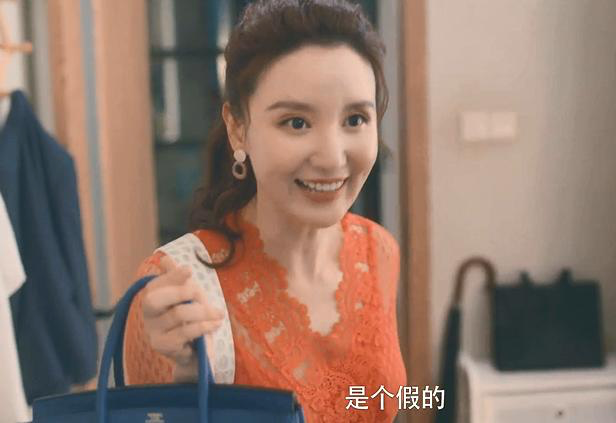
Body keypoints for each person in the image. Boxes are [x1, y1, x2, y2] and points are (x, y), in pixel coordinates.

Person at [123, 0, 407, 421]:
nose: (332, 158)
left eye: (354, 119)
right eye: (296, 122)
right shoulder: (173, 287)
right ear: (238, 128)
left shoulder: (377, 250)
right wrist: (183, 380)